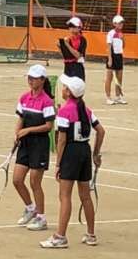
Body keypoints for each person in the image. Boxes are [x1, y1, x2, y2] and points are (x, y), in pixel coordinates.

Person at [40, 75, 105, 249]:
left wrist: (58, 164)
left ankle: (60, 236)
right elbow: (101, 131)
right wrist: (96, 154)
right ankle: (91, 234)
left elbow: (61, 140)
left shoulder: (64, 111)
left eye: (65, 87)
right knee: (85, 196)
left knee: (65, 196)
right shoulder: (87, 110)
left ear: (69, 92)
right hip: (85, 151)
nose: (62, 89)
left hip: (71, 153)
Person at [13, 64, 55, 232]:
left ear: (42, 80)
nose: (31, 80)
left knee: (34, 182)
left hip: (40, 145)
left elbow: (49, 126)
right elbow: (20, 119)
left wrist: (28, 130)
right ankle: (31, 208)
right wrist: (17, 134)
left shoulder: (47, 101)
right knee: (17, 180)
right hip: (25, 144)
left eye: (34, 78)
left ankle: (41, 218)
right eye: (29, 77)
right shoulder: (24, 98)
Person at [105, 14, 126, 105]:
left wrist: (123, 39)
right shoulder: (111, 33)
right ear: (114, 24)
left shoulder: (121, 34)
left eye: (122, 23)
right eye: (119, 23)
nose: (121, 25)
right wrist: (110, 59)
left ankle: (118, 97)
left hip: (119, 56)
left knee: (119, 77)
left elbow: (123, 46)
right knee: (109, 78)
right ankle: (108, 97)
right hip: (112, 56)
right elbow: (109, 47)